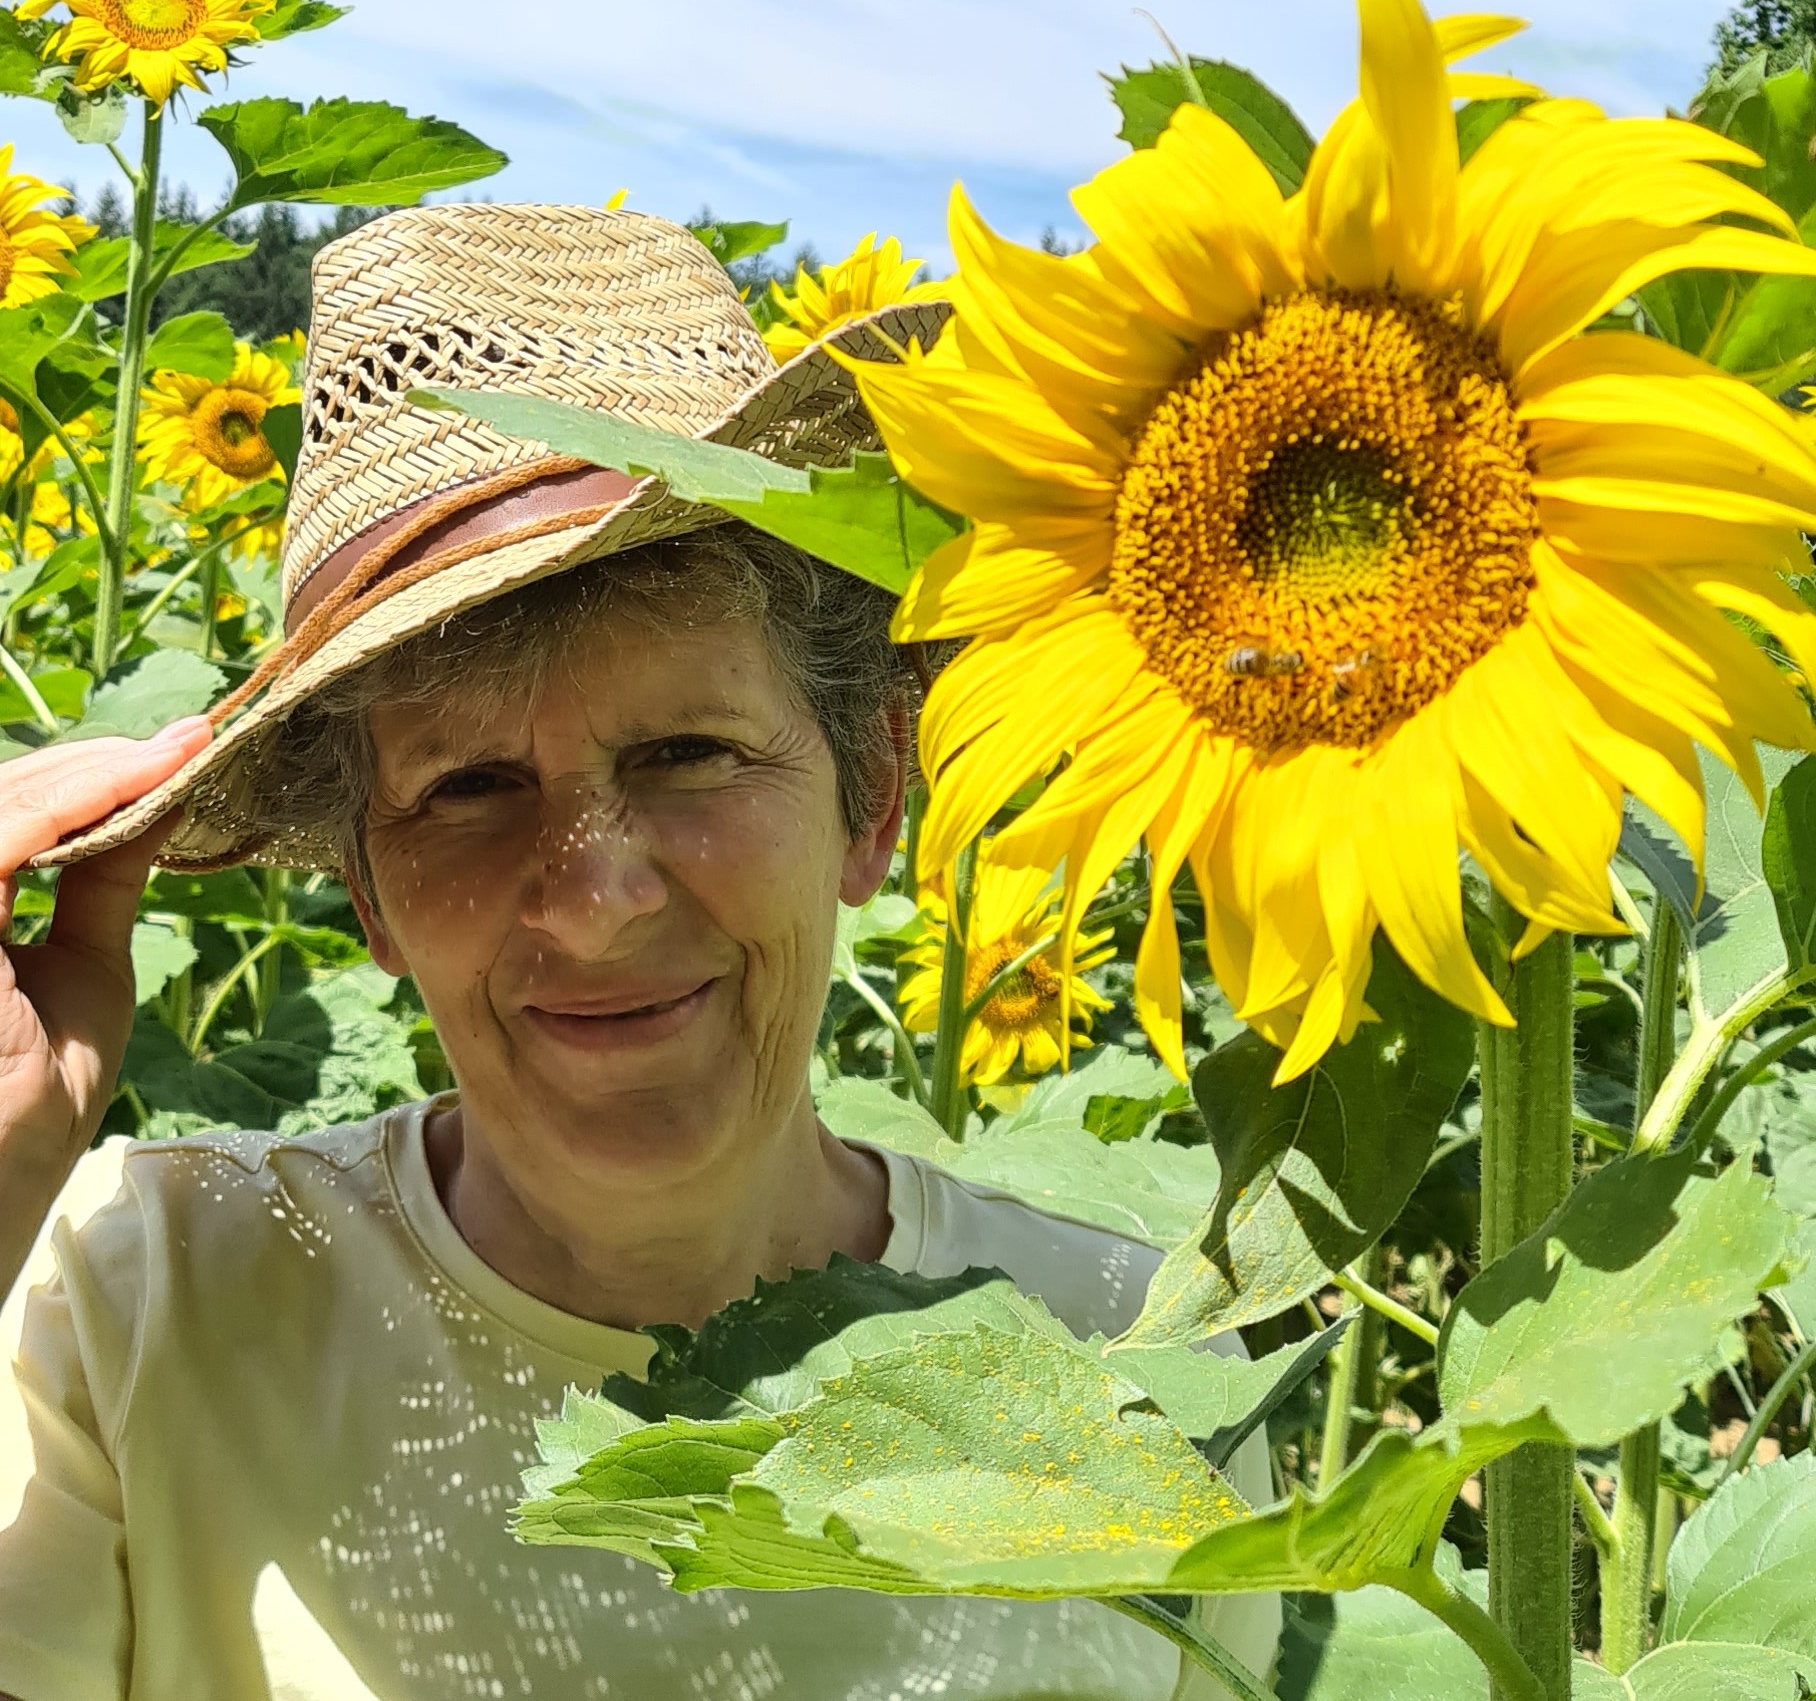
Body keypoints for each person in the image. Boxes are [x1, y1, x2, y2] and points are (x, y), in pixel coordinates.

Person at [0, 205, 1280, 1700]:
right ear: (367, 888)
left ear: (872, 797)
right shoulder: (109, 1300)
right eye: (468, 789)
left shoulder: (1142, 1371)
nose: (594, 898)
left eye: (690, 751)